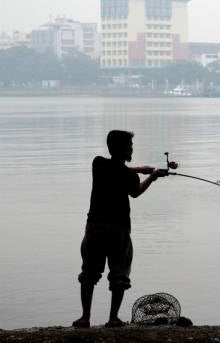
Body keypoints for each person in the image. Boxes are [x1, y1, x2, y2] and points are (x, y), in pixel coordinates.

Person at [72, 130, 168, 328]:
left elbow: (115, 168)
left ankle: (85, 318)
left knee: (89, 273)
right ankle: (113, 318)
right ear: (124, 149)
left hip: (95, 227)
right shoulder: (128, 176)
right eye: (130, 146)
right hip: (118, 230)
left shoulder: (97, 164)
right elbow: (136, 192)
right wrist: (152, 177)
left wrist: (140, 169)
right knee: (119, 274)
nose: (132, 149)